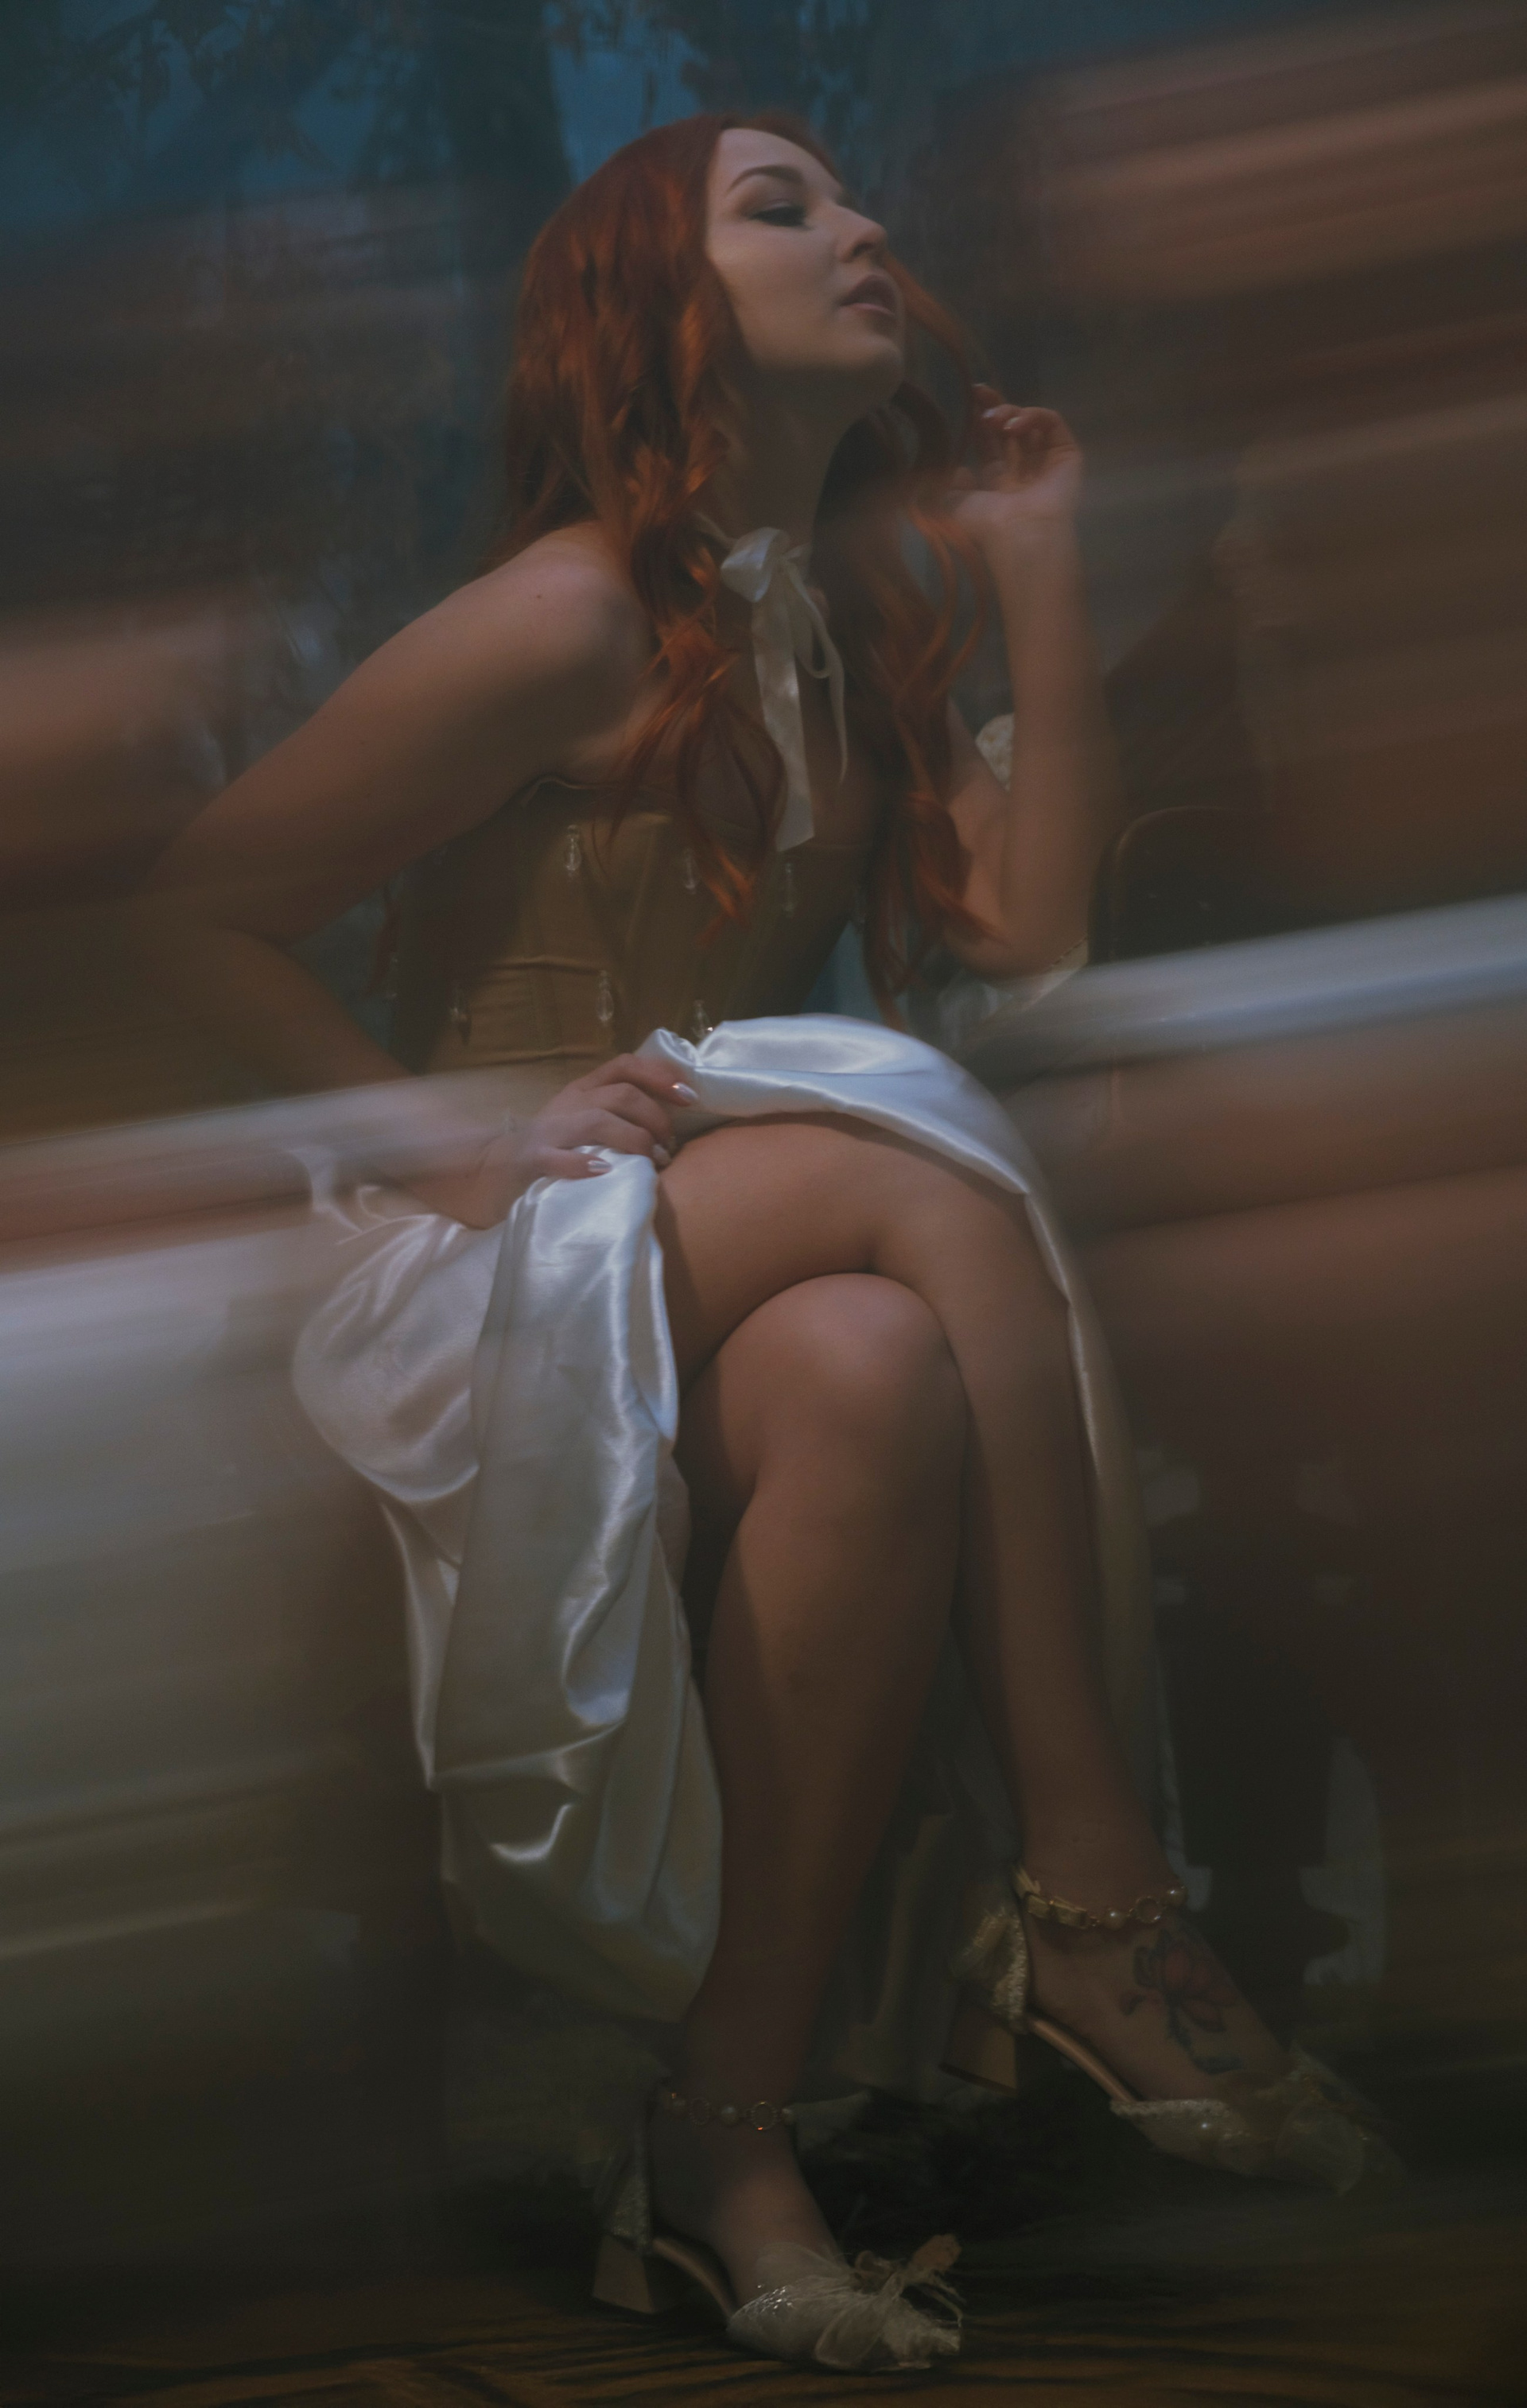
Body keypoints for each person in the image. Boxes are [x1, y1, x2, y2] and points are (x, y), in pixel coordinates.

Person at [138, 112, 1381, 2374]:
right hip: (468, 1271)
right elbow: (194, 913)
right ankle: (1102, 1896)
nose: (861, 226)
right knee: (921, 1150)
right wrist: (463, 1141)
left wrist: (1037, 571)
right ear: (657, 304)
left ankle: (718, 2146)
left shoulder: (826, 631)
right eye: (780, 206)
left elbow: (1034, 923)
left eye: (854, 196)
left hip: (700, 1265)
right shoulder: (569, 612)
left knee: (870, 1370)